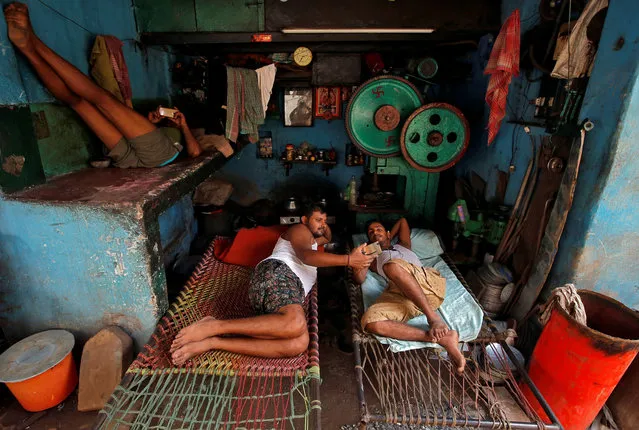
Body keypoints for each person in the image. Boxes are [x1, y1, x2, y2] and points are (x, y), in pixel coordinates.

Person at [170, 203, 375, 365]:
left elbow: (326, 238)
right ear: (304, 219)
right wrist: (349, 260)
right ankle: (215, 326)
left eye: (324, 220)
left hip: (285, 288)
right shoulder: (299, 230)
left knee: (298, 343)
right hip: (277, 273)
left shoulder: (312, 240)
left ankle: (213, 342)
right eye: (317, 219)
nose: (322, 223)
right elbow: (307, 257)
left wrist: (322, 225)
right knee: (296, 323)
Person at [4, 3, 202, 168]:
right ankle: (27, 49)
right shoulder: (161, 129)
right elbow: (134, 131)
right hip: (133, 160)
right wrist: (151, 121)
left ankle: (34, 42)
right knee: (78, 103)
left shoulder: (185, 137)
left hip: (160, 154)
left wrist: (184, 126)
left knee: (103, 99)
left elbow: (195, 155)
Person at [353, 218, 466, 373]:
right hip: (401, 295)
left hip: (427, 286)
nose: (374, 233)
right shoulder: (373, 257)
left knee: (392, 267)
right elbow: (358, 279)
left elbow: (402, 222)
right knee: (371, 322)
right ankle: (440, 338)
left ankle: (433, 318)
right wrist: (370, 252)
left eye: (378, 229)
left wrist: (387, 238)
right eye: (371, 232)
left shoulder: (403, 245)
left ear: (387, 233)